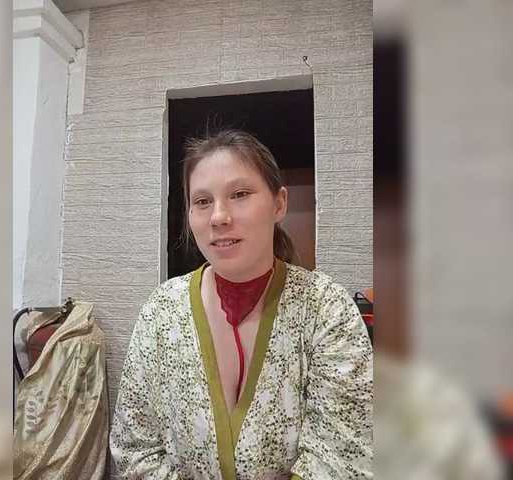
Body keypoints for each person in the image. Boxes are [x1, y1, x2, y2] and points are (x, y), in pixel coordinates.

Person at [110, 129, 373, 479]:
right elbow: (134, 449)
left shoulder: (326, 308)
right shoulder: (161, 311)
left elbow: (343, 455)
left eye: (239, 194)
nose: (218, 216)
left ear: (279, 204)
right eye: (202, 201)